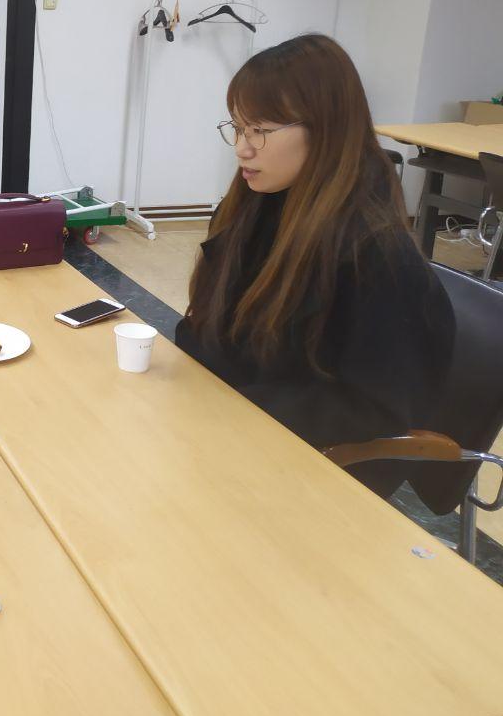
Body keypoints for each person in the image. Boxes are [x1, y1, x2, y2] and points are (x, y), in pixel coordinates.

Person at [175, 34, 454, 489]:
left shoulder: (375, 255)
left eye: (260, 130)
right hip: (232, 432)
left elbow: (369, 412)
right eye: (238, 128)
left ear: (325, 130)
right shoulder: (254, 208)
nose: (242, 148)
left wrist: (230, 411)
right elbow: (213, 328)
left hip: (309, 471)